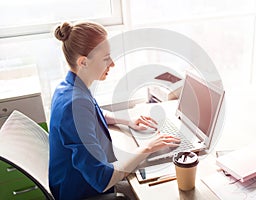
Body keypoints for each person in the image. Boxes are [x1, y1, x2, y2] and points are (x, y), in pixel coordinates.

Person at [49, 21, 180, 200]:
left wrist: (127, 120)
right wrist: (148, 147)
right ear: (83, 62)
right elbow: (102, 179)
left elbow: (94, 114)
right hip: (85, 193)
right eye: (105, 58)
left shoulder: (69, 87)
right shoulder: (74, 105)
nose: (112, 64)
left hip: (79, 182)